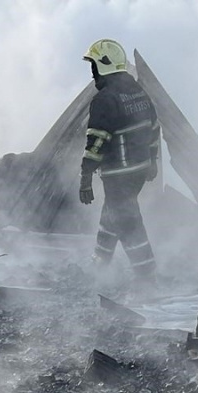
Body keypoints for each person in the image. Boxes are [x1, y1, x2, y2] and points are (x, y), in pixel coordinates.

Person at [78, 38, 162, 285]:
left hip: (119, 173)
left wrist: (85, 179)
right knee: (112, 213)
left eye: (93, 66)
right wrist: (152, 160)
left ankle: (147, 277)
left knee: (128, 221)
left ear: (104, 66)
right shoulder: (138, 91)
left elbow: (96, 143)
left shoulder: (106, 99)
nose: (92, 73)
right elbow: (154, 127)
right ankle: (99, 263)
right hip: (139, 169)